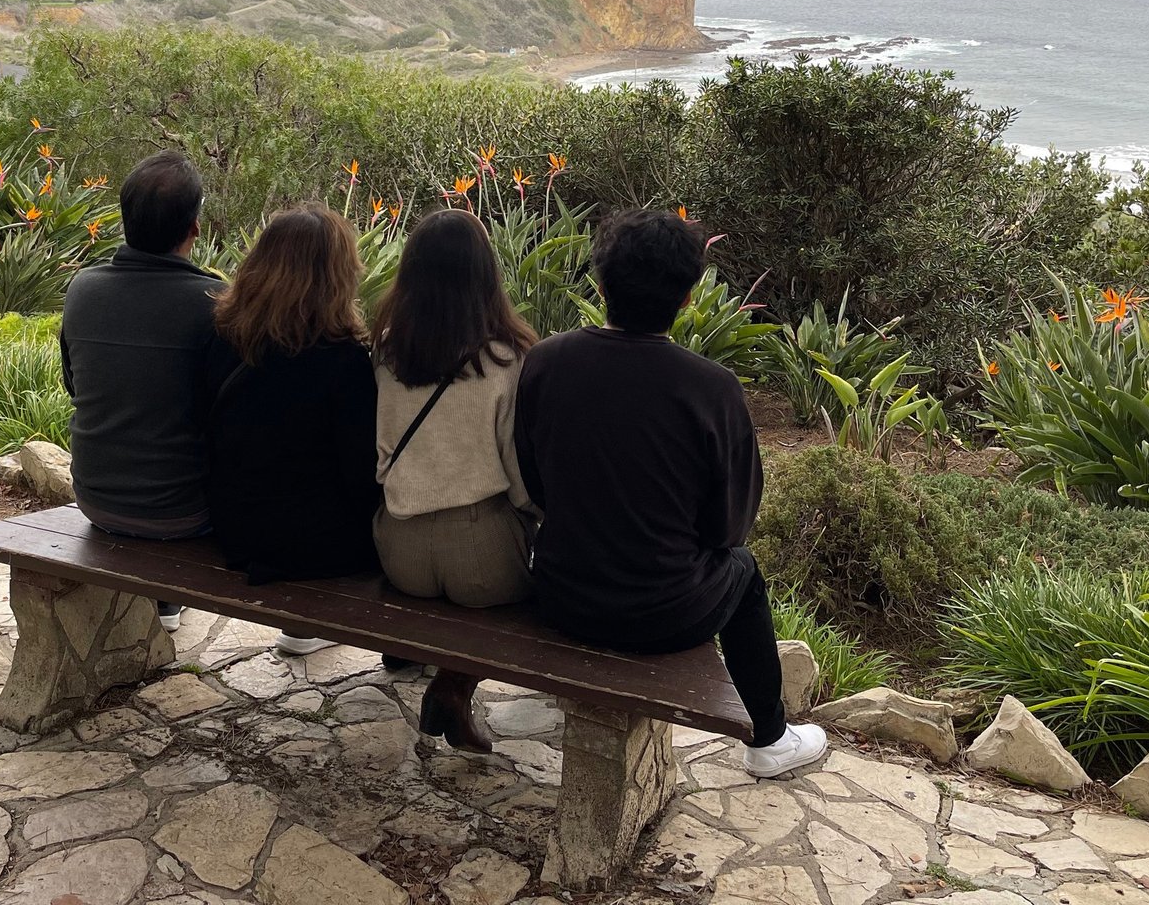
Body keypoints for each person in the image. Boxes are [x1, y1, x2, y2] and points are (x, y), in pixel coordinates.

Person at [513, 209, 826, 777]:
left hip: (560, 597)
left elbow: (535, 481)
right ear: (687, 298)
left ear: (601, 284)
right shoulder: (711, 388)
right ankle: (769, 738)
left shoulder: (546, 361)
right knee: (744, 570)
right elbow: (728, 527)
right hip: (664, 615)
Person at [371, 209, 539, 754]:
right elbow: (519, 478)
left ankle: (438, 674)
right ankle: (451, 685)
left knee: (449, 596)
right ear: (485, 275)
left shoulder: (387, 351)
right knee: (521, 588)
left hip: (401, 552)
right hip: (481, 553)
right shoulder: (506, 359)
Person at [207, 203, 380, 652]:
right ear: (337, 277)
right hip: (316, 544)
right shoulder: (344, 361)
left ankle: (307, 628)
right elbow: (362, 473)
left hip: (235, 528)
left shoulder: (222, 336)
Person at [60, 149, 221, 631]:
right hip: (185, 515)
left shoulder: (83, 289)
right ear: (194, 227)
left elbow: (74, 385)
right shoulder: (213, 303)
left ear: (123, 220)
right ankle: (168, 597)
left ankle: (164, 601)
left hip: (98, 499)